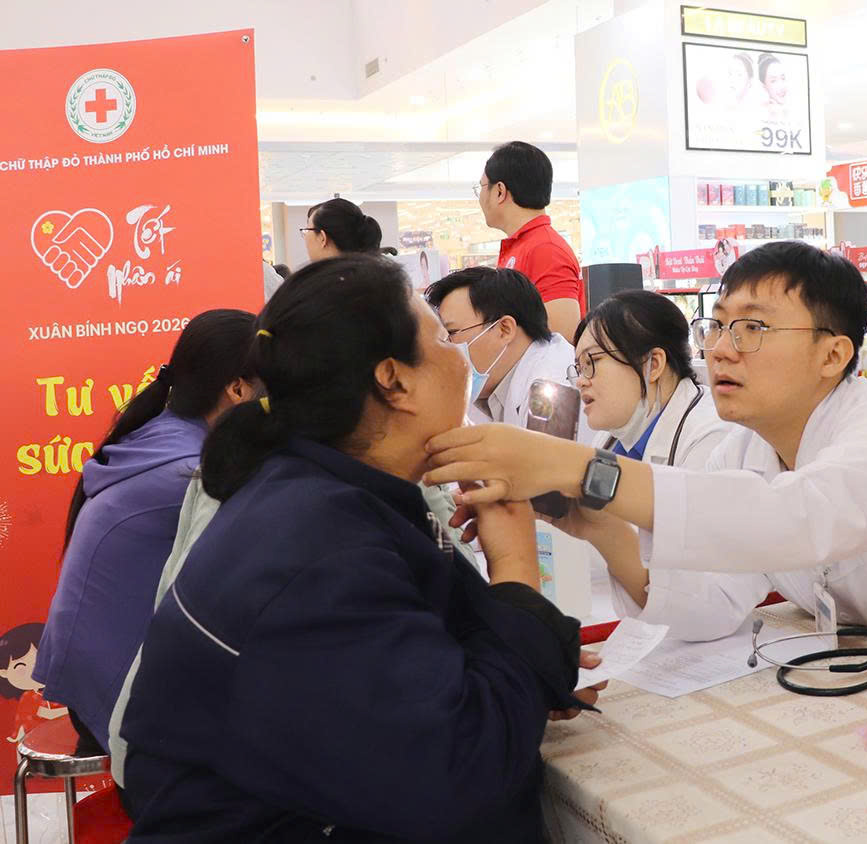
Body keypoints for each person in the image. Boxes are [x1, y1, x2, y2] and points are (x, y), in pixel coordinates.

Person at [427, 241, 867, 688]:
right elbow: (716, 604)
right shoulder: (745, 445)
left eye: (752, 328)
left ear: (834, 354)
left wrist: (578, 469)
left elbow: (795, 518)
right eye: (718, 325)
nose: (721, 348)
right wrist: (603, 530)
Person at [115, 255, 591, 841]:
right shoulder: (319, 550)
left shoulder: (331, 494)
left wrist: (528, 666)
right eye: (444, 338)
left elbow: (454, 647)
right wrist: (515, 566)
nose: (460, 356)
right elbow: (461, 774)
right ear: (394, 380)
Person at [33, 310, 257, 752]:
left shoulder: (163, 437)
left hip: (89, 676)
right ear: (237, 389)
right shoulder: (190, 473)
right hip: (115, 693)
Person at [424, 266, 595, 442]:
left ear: (504, 329)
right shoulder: (492, 386)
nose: (444, 347)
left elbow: (547, 458)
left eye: (451, 333)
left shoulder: (554, 389)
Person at [571, 290, 729, 468]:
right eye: (579, 369)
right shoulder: (611, 438)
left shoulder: (711, 437)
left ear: (653, 364)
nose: (580, 382)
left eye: (591, 362)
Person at [477, 142, 582, 342]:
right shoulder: (525, 246)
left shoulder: (546, 250)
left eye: (481, 187)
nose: (480, 197)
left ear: (499, 191)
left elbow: (561, 340)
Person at [300, 197, 382, 261]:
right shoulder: (372, 273)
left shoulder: (328, 277)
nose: (305, 236)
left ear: (322, 238)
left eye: (307, 230)